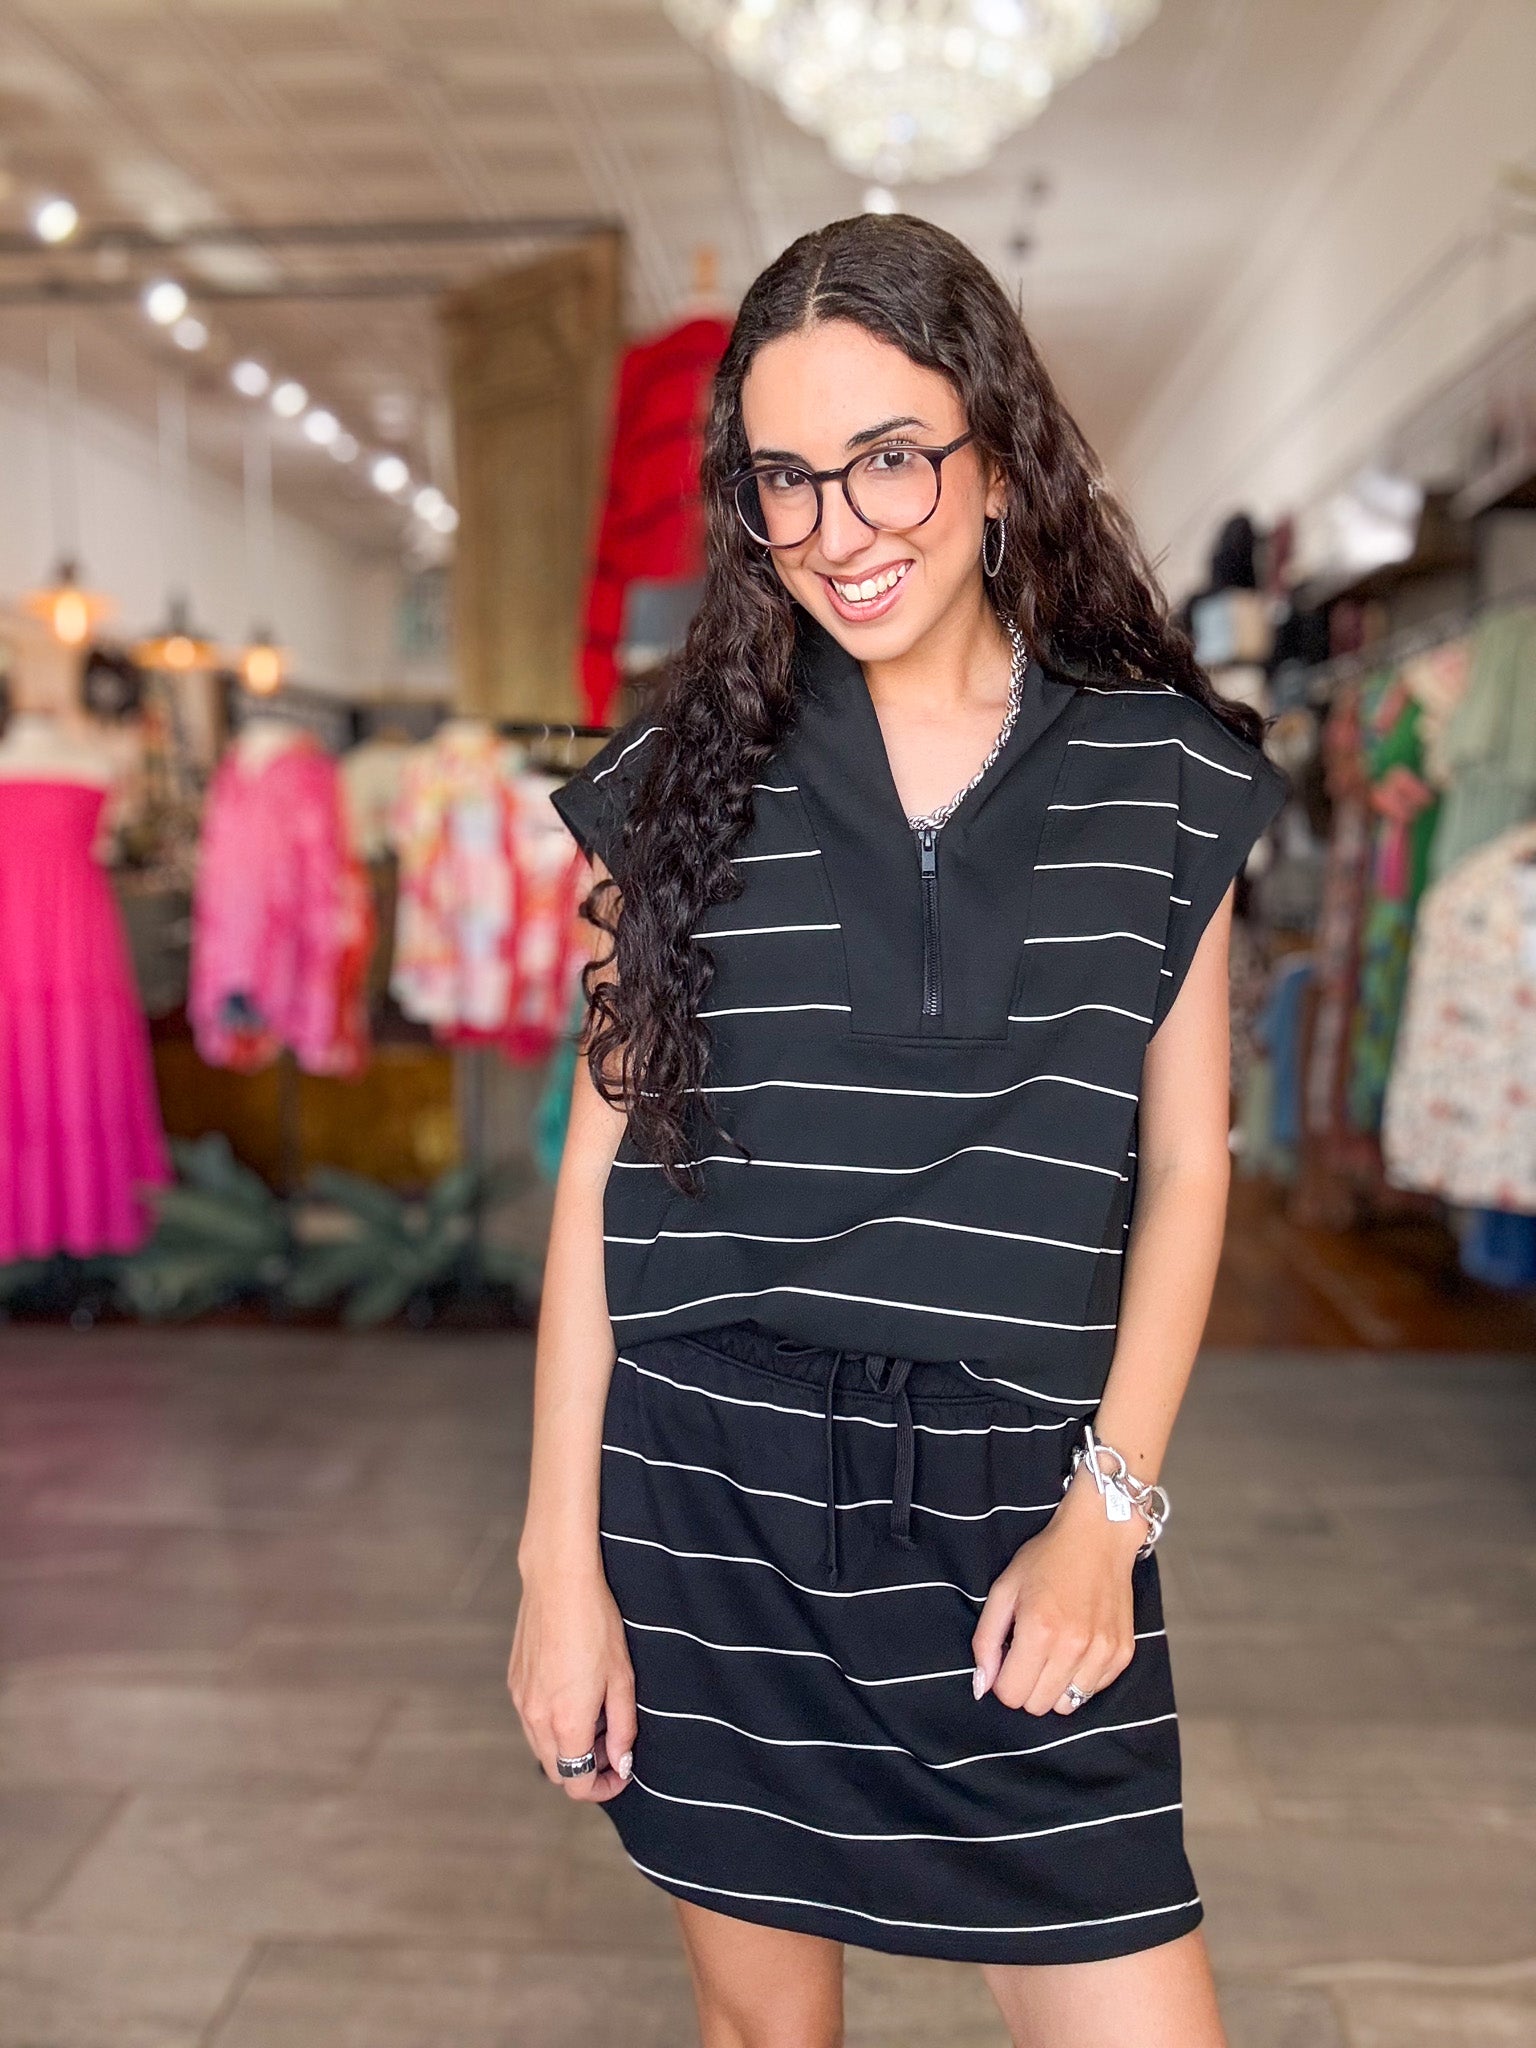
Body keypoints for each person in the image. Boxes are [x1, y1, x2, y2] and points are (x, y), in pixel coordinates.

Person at [509, 212, 1289, 2048]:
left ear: (997, 458)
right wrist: (558, 1564)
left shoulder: (1165, 778)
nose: (841, 528)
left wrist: (1110, 1513)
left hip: (1021, 1523)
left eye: (889, 459)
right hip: (711, 1506)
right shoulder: (682, 782)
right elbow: (601, 1178)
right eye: (786, 479)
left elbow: (1189, 1170)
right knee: (765, 2033)